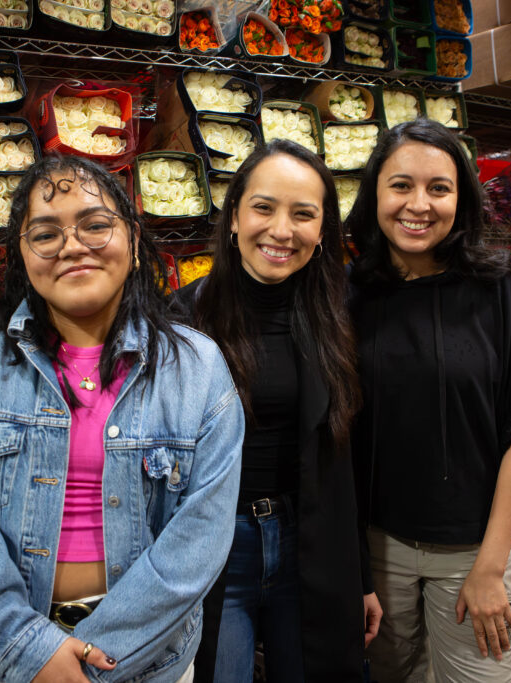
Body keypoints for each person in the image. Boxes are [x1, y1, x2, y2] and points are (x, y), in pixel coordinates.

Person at [0, 154, 244, 683]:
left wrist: (102, 657)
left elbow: (199, 540)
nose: (72, 245)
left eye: (95, 224)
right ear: (22, 254)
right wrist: (29, 650)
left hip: (149, 660)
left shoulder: (196, 369)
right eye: (45, 233)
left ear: (132, 240)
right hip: (5, 658)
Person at [346, 119, 511, 682]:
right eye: (401, 185)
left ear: (461, 198)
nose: (419, 204)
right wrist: (353, 565)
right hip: (379, 549)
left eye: (439, 188)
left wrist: (491, 567)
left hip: (475, 549)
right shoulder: (349, 293)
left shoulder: (504, 288)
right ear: (374, 194)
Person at [173, 139, 372, 682]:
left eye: (303, 214)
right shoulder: (182, 320)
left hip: (310, 545)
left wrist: (362, 576)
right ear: (234, 216)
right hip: (215, 556)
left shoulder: (337, 318)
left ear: (323, 232)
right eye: (264, 207)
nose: (282, 231)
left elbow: (346, 456)